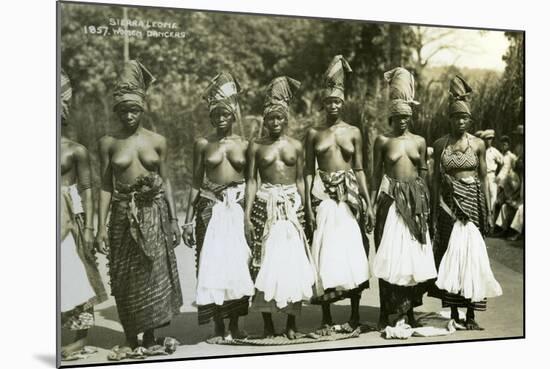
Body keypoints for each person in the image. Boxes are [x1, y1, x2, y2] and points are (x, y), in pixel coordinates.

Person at [95, 60, 183, 350]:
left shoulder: (157, 141)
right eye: (124, 110)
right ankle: (131, 335)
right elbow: (106, 185)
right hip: (122, 214)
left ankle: (149, 335)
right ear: (117, 111)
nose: (129, 115)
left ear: (142, 109)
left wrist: (172, 220)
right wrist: (100, 228)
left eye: (134, 109)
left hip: (153, 213)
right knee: (124, 276)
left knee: (153, 273)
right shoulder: (108, 143)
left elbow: (166, 180)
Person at [182, 72, 254, 342]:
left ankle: (235, 324)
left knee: (238, 264)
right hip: (209, 208)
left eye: (226, 113)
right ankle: (218, 326)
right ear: (211, 116)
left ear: (233, 115)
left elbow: (252, 180)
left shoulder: (245, 145)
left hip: (236, 206)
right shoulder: (203, 144)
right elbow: (195, 182)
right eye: (216, 114)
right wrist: (188, 221)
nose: (221, 118)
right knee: (211, 265)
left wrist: (249, 216)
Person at [305, 55, 375, 333]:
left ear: (342, 103)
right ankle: (326, 316)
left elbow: (359, 168)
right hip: (322, 195)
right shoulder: (314, 134)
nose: (332, 106)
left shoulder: (354, 132)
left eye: (337, 101)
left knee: (353, 251)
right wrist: (309, 206)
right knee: (324, 250)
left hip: (350, 197)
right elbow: (308, 170)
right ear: (323, 104)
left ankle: (355, 314)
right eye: (328, 102)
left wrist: (368, 204)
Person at [244, 76, 315, 339]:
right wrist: (247, 215)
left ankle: (291, 323)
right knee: (264, 263)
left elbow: (300, 180)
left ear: (286, 119)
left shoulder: (296, 146)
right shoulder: (256, 146)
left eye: (279, 118)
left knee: (293, 262)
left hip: (291, 207)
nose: (274, 122)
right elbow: (251, 180)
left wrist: (307, 209)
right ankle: (267, 322)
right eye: (270, 118)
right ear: (265, 120)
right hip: (265, 204)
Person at [431, 75, 502, 330]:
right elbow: (436, 181)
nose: (460, 121)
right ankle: (453, 311)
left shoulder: (479, 144)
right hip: (448, 205)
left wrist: (489, 210)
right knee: (451, 256)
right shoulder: (441, 144)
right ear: (449, 119)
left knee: (473, 256)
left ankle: (471, 314)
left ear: (469, 120)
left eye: (464, 118)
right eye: (455, 117)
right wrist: (433, 210)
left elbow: (483, 179)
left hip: (473, 203)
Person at [371, 67, 437, 330]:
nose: (401, 121)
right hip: (389, 202)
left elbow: (424, 176)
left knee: (412, 258)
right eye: (396, 117)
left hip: (415, 202)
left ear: (410, 117)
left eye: (405, 117)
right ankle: (385, 310)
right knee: (388, 257)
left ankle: (409, 311)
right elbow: (376, 175)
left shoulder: (419, 142)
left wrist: (427, 207)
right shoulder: (382, 141)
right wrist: (371, 206)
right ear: (390, 117)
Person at [60, 69, 107, 358]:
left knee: (75, 275)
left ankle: (78, 339)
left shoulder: (74, 151)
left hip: (67, 222)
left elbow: (88, 190)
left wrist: (89, 228)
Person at [481, 129, 503, 227]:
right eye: (487, 139)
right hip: (482, 176)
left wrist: (499, 174)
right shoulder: (481, 150)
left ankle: (492, 225)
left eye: (491, 139)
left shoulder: (494, 151)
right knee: (484, 199)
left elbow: (502, 163)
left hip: (492, 176)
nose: (489, 141)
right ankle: (484, 223)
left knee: (493, 199)